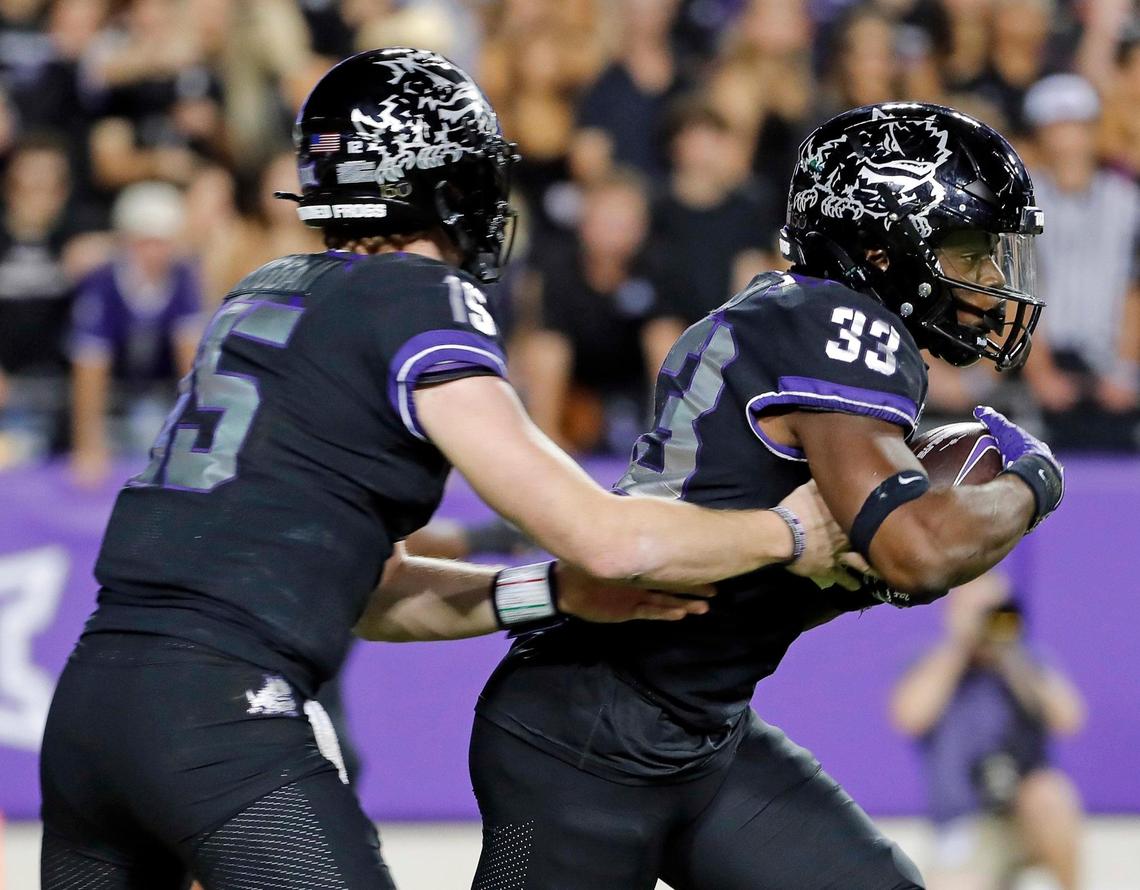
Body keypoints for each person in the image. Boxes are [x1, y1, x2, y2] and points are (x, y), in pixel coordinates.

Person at [38, 48, 851, 890]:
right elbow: (607, 540)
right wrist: (789, 533)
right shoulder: (419, 298)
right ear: (447, 183)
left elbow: (377, 594)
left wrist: (553, 593)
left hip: (93, 708)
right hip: (219, 718)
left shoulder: (263, 291)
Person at [468, 102, 1066, 890]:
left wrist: (854, 575)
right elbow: (916, 551)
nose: (987, 280)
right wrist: (1033, 481)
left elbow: (777, 570)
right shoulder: (838, 323)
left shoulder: (795, 315)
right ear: (882, 249)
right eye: (968, 251)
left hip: (696, 729)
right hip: (580, 735)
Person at [890, 572, 1085, 890]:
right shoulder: (929, 662)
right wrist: (959, 646)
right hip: (966, 820)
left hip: (1026, 818)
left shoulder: (1026, 661)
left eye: (993, 609)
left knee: (1050, 793)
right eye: (977, 611)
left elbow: (1069, 720)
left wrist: (1011, 655)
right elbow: (909, 718)